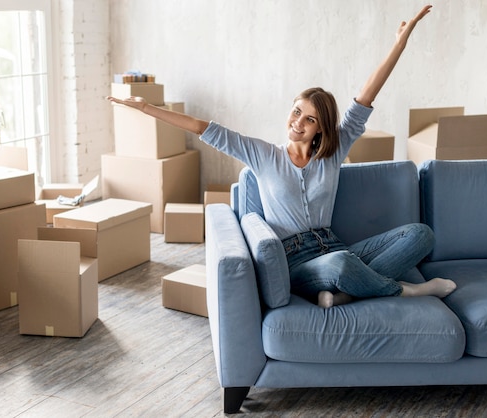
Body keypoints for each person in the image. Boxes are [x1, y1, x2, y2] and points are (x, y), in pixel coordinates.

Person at [106, 4, 457, 308]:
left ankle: (350, 294)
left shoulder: (332, 154)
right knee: (340, 268)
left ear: (321, 128)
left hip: (334, 246)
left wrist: (399, 44)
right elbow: (203, 128)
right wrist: (146, 107)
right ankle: (405, 291)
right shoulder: (262, 155)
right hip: (297, 262)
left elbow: (365, 98)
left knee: (421, 235)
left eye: (309, 119)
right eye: (295, 112)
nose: (297, 123)